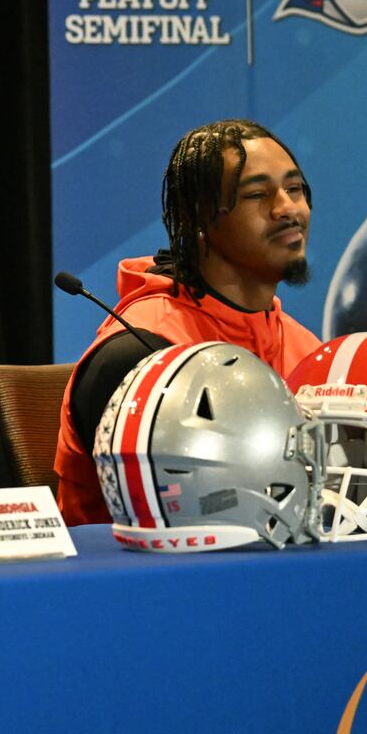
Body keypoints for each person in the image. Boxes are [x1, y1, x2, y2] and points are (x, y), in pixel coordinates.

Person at [54, 118, 321, 525]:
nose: (287, 209)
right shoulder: (138, 352)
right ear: (198, 218)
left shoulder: (307, 349)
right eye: (257, 194)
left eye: (294, 189)